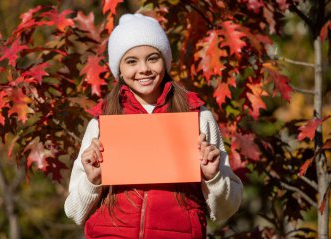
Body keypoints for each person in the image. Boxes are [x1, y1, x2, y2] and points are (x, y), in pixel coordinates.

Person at [64, 13, 243, 238]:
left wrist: (212, 177)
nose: (144, 69)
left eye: (152, 58)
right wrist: (93, 180)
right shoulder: (103, 121)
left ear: (165, 61)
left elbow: (227, 208)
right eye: (131, 61)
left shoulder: (196, 116)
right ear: (118, 68)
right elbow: (74, 211)